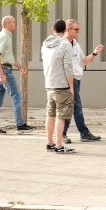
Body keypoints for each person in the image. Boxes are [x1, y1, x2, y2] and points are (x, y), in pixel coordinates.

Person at [0, 15, 35, 134]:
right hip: (4, 70)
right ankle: (20, 125)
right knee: (17, 96)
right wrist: (2, 74)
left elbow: (9, 59)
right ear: (8, 24)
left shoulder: (3, 36)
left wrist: (21, 67)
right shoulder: (5, 37)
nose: (15, 23)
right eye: (14, 22)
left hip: (1, 70)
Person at [61, 19, 104, 143]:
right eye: (76, 29)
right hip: (70, 79)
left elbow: (84, 61)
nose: (78, 31)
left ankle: (70, 133)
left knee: (73, 106)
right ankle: (80, 133)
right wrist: (68, 82)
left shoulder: (76, 44)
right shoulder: (63, 44)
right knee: (74, 106)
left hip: (77, 78)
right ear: (68, 30)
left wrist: (95, 53)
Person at [41, 19, 76, 153]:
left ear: (53, 29)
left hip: (49, 84)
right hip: (62, 86)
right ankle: (59, 145)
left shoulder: (45, 45)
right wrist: (71, 86)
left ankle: (49, 142)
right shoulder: (65, 45)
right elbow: (68, 67)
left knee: (50, 114)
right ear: (65, 30)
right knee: (61, 116)